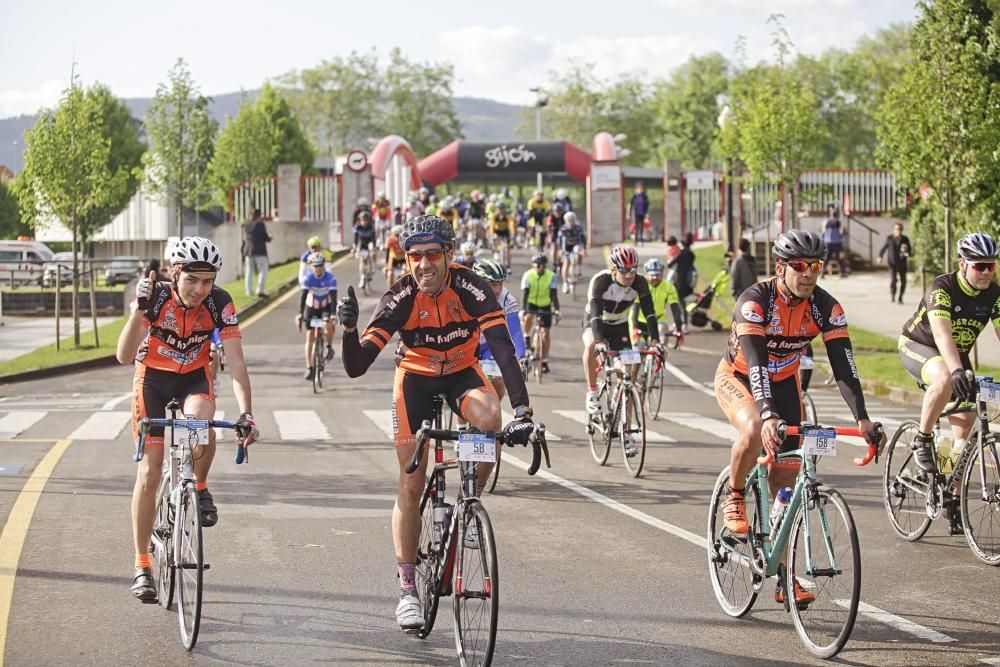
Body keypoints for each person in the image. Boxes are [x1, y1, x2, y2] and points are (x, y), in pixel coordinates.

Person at [335, 215, 535, 631]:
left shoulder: (472, 287)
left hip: (462, 372)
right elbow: (356, 366)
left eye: (432, 256)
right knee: (411, 481)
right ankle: (407, 588)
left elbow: (501, 347)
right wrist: (350, 329)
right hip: (416, 380)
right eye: (414, 257)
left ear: (449, 255)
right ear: (406, 260)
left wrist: (524, 413)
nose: (423, 265)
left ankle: (471, 500)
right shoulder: (400, 297)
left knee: (490, 417)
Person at [714, 229, 882, 607]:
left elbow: (844, 365)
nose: (808, 273)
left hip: (785, 383)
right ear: (780, 267)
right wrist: (770, 414)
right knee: (757, 426)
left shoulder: (825, 307)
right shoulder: (755, 301)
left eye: (815, 266)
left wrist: (863, 419)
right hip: (739, 377)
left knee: (786, 485)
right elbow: (756, 363)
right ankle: (735, 494)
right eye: (799, 266)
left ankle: (783, 575)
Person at [116, 236, 259, 602]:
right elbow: (122, 355)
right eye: (192, 280)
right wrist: (138, 310)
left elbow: (237, 363)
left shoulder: (219, 302)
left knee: (200, 422)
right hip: (153, 378)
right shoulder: (157, 297)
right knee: (149, 472)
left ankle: (198, 485)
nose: (200, 289)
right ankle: (142, 563)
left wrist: (247, 413)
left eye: (207, 280)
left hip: (194, 375)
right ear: (175, 273)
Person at [898, 233, 1000, 528]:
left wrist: (960, 369)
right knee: (943, 379)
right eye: (979, 266)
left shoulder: (994, 294)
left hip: (957, 355)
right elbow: (942, 336)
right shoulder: (941, 288)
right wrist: (957, 372)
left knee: (964, 428)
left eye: (991, 266)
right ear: (963, 264)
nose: (986, 272)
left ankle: (951, 493)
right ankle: (923, 437)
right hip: (920, 346)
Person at [583, 246, 662, 456]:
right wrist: (600, 342)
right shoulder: (600, 281)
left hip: (619, 327)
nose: (629, 275)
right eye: (624, 271)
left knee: (626, 378)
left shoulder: (639, 282)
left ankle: (626, 432)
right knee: (591, 345)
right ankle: (592, 392)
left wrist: (656, 340)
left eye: (633, 270)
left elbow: (650, 313)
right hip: (596, 322)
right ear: (612, 268)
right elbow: (595, 317)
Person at [297, 251, 338, 379]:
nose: (318, 268)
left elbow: (333, 298)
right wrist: (299, 314)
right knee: (309, 337)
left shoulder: (330, 279)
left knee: (328, 324)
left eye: (320, 265)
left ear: (323, 265)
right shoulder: (308, 279)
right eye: (315, 265)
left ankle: (329, 346)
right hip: (311, 308)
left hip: (325, 307)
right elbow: (303, 297)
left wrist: (333, 315)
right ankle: (309, 367)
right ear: (311, 266)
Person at [631, 258, 683, 349]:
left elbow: (675, 308)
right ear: (646, 274)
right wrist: (635, 327)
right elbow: (636, 307)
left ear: (662, 273)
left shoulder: (669, 287)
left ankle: (660, 360)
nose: (655, 277)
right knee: (639, 353)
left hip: (658, 319)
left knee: (661, 347)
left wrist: (679, 329)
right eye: (652, 275)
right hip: (640, 321)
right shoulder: (640, 286)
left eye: (658, 274)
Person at [521, 253, 560, 374]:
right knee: (527, 318)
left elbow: (554, 295)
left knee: (545, 334)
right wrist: (523, 309)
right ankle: (527, 337)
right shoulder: (527, 275)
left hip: (545, 305)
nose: (539, 268)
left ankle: (544, 361)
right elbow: (525, 294)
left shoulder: (551, 276)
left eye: (542, 266)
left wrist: (557, 310)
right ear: (533, 265)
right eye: (537, 265)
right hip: (531, 303)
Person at [667, 233, 696, 332]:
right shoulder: (692, 255)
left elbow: (670, 264)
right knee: (680, 303)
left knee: (679, 304)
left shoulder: (681, 254)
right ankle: (680, 324)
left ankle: (682, 325)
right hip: (688, 283)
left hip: (679, 283)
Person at [878, 222, 912, 303]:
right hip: (892, 263)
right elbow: (883, 248)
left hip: (902, 263)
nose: (898, 231)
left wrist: (906, 251)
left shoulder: (905, 239)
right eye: (897, 229)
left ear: (902, 230)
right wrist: (880, 256)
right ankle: (893, 294)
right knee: (893, 280)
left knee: (903, 281)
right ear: (894, 230)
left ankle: (900, 297)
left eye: (900, 229)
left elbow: (910, 251)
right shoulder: (889, 238)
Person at [242, 208, 271, 297]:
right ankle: (260, 290)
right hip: (259, 250)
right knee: (263, 270)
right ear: (259, 215)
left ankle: (249, 291)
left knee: (249, 271)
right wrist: (270, 238)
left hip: (248, 250)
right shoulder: (260, 224)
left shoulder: (247, 224)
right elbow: (265, 237)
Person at [557, 211, 587, 292]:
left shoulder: (578, 228)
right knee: (566, 263)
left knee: (578, 250)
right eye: (569, 221)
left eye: (572, 221)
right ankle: (565, 283)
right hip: (566, 247)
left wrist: (584, 249)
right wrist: (560, 250)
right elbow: (559, 241)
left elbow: (583, 239)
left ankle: (578, 266)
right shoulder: (562, 229)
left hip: (576, 245)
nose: (571, 223)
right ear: (565, 221)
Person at [353, 211, 378, 287]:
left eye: (366, 220)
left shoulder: (371, 227)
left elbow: (373, 239)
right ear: (360, 220)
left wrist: (374, 247)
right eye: (362, 220)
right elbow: (356, 239)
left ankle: (373, 265)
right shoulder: (357, 227)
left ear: (368, 220)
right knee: (362, 261)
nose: (364, 221)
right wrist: (355, 248)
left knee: (372, 251)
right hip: (362, 246)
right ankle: (362, 277)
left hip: (369, 244)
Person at [822, 206, 847, 278]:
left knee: (826, 258)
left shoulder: (826, 222)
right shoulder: (838, 222)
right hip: (837, 242)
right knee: (839, 258)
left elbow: (823, 233)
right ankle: (843, 272)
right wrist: (843, 234)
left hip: (828, 242)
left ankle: (822, 273)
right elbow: (841, 233)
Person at [628, 182, 650, 246]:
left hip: (642, 214)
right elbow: (631, 205)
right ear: (636, 189)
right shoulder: (634, 196)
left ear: (643, 189)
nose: (640, 189)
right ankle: (636, 240)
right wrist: (629, 214)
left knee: (641, 227)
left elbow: (647, 205)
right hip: (635, 214)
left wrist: (646, 213)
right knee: (636, 227)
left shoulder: (645, 197)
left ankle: (641, 240)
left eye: (641, 188)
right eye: (638, 188)